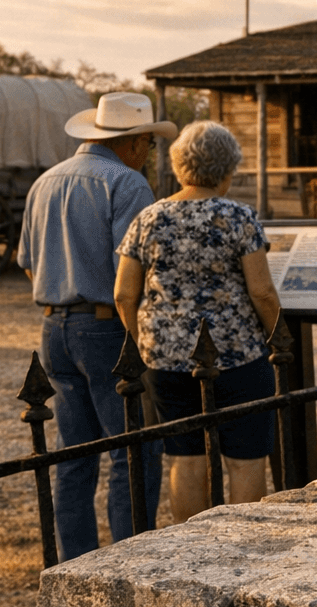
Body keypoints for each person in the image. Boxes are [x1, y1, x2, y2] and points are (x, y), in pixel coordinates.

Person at [16, 91, 177, 560]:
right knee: (134, 449)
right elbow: (133, 274)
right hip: (107, 326)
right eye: (147, 143)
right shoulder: (127, 184)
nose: (148, 153)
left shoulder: (44, 182)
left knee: (73, 455)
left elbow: (27, 262)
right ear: (130, 142)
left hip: (55, 326)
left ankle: (76, 560)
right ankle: (128, 560)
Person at [113, 121, 282, 523]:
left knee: (184, 458)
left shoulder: (149, 218)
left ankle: (191, 543)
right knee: (245, 458)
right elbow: (261, 291)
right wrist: (277, 336)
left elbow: (123, 293)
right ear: (227, 169)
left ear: (178, 166)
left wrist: (143, 341)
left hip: (166, 356)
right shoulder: (238, 216)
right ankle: (244, 539)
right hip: (237, 353)